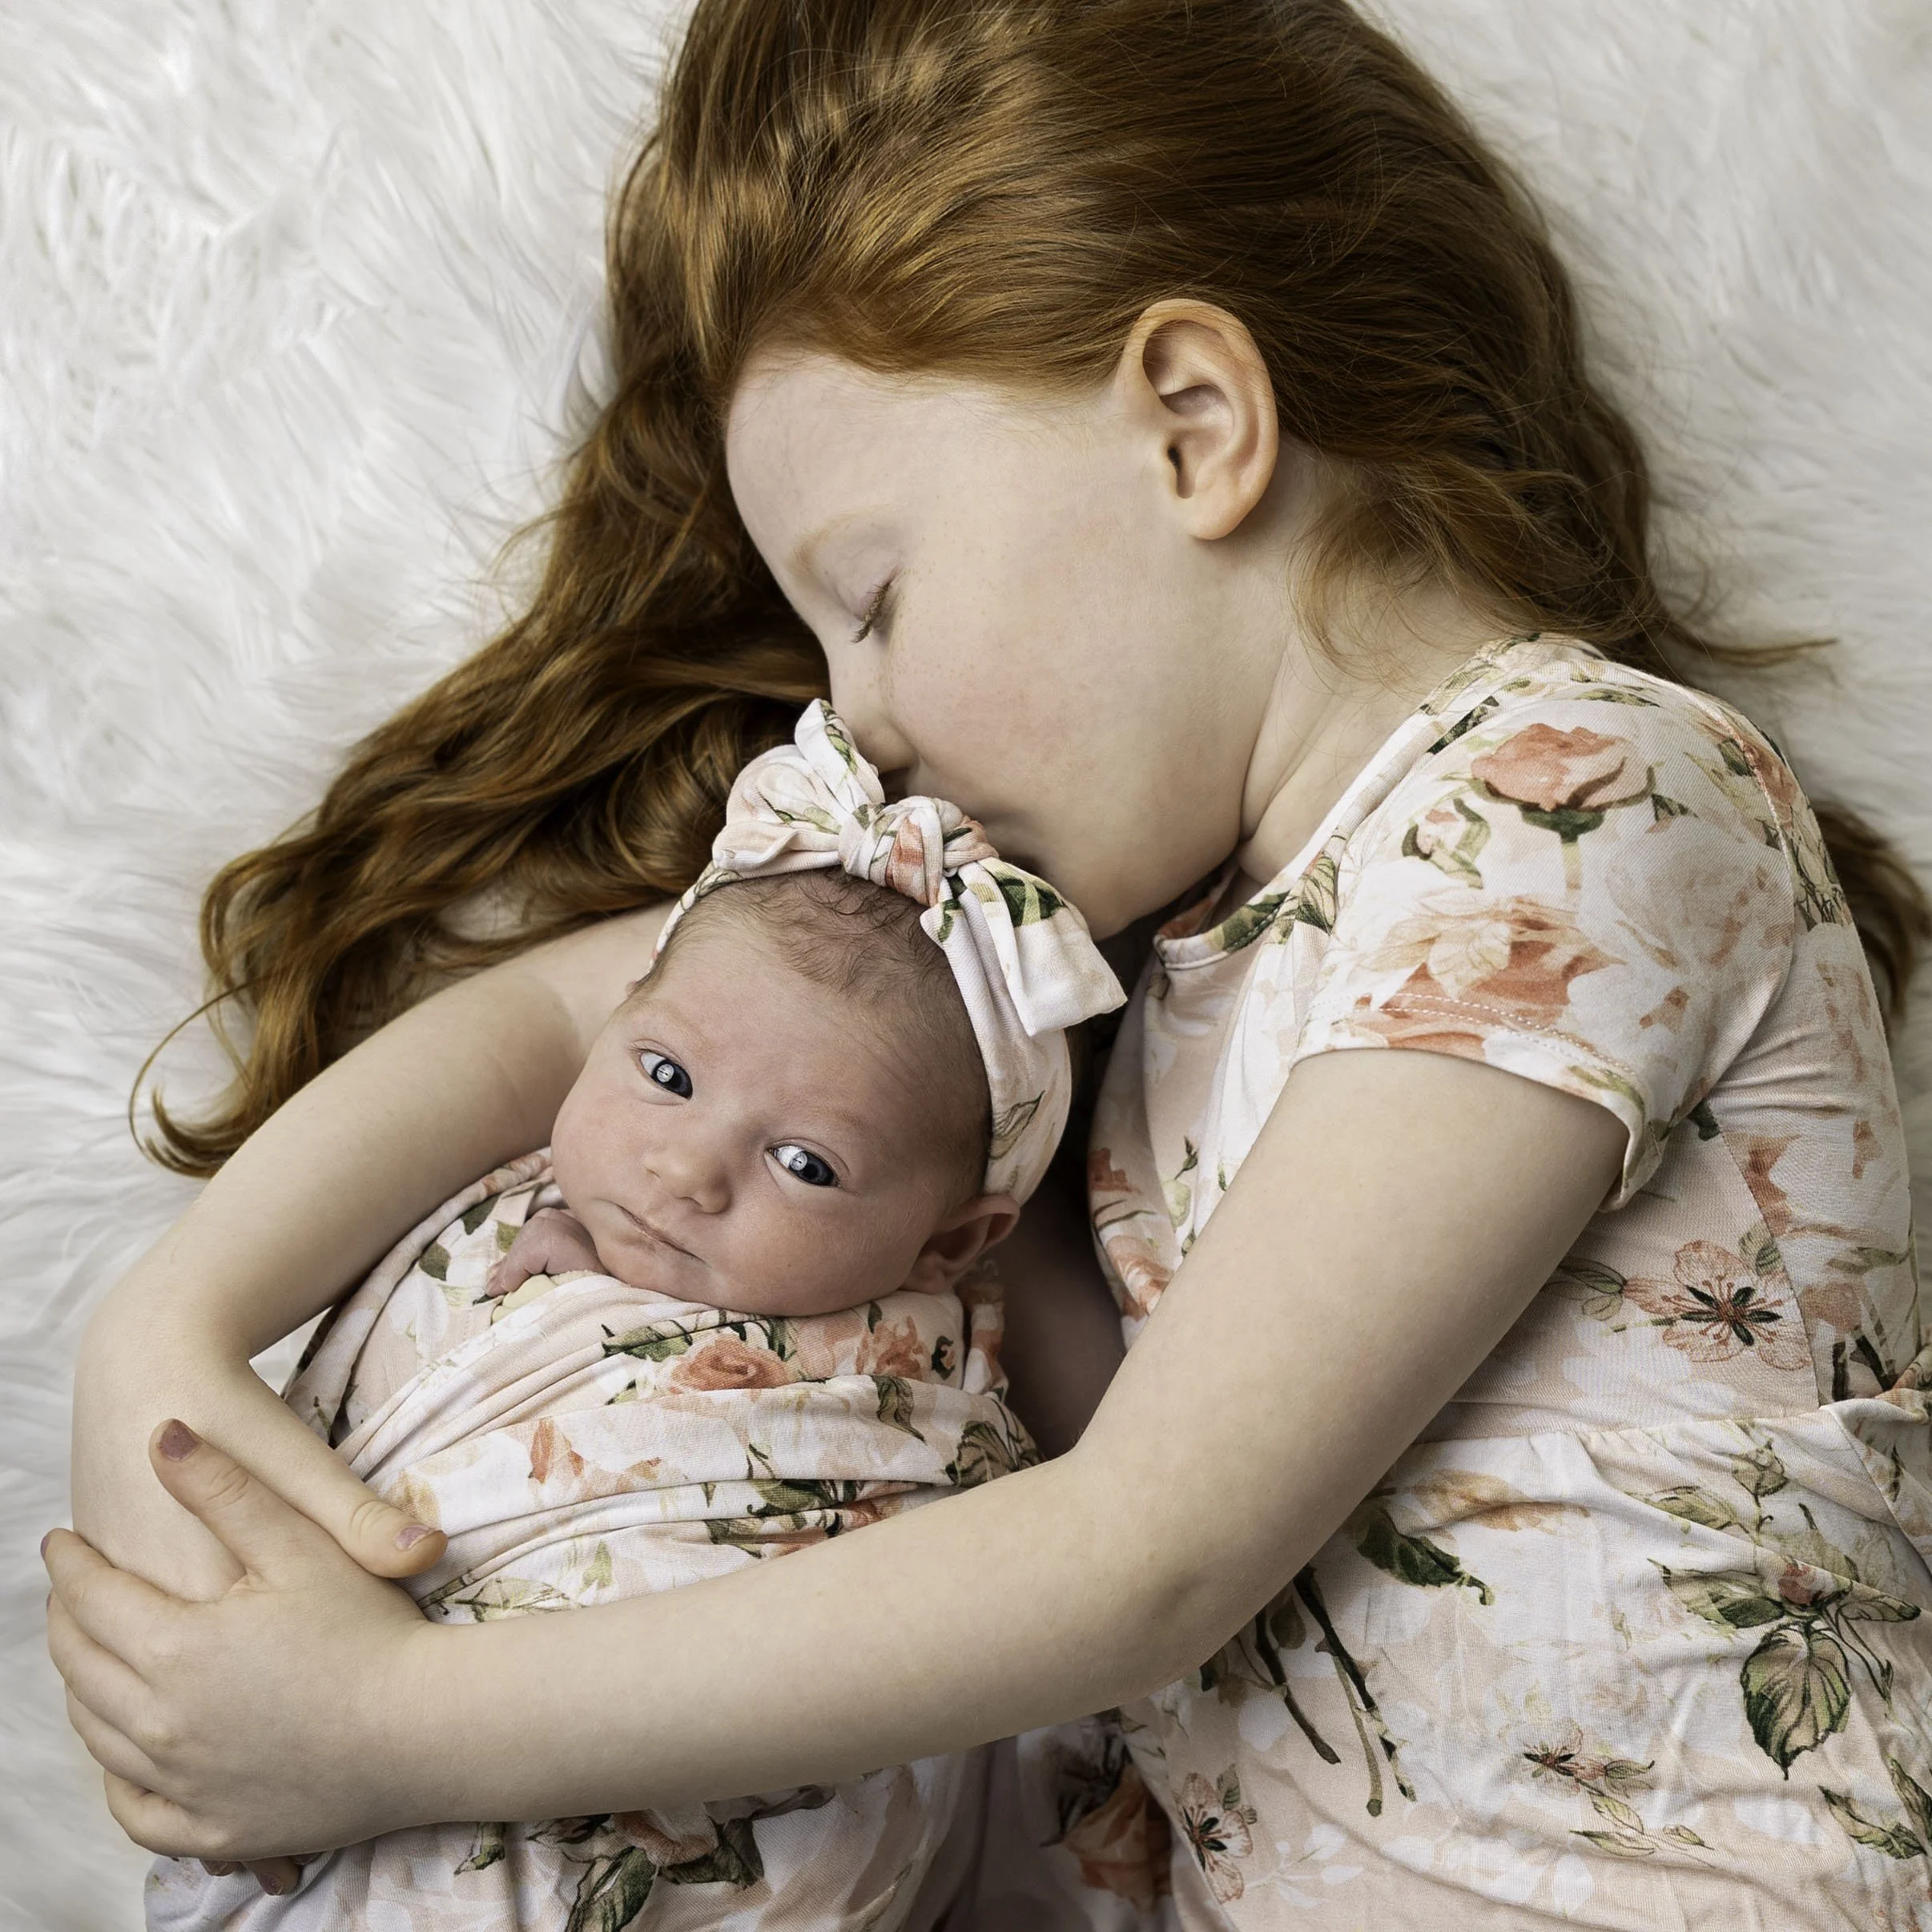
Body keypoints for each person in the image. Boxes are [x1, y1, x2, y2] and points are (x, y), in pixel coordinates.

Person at [44, 2, 1932, 1925]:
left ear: (1195, 426)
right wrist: (174, 1321)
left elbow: (1141, 1558)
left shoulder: (1579, 796)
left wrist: (401, 1722)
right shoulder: (1123, 958)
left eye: (872, 603)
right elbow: (599, 1011)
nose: (848, 726)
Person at [145, 699, 1126, 1928]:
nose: (689, 1171)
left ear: (949, 1242)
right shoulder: (480, 1193)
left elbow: (1083, 1569)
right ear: (610, 1028)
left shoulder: (931, 1383)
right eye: (665, 1078)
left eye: (805, 1165)